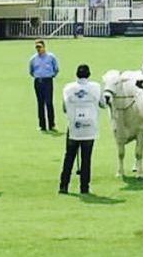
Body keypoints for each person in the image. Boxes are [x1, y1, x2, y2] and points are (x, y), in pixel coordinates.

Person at [59, 64, 105, 195]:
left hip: (74, 127)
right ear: (89, 74)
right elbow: (103, 104)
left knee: (69, 157)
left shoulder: (68, 88)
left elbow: (64, 108)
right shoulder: (96, 87)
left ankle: (63, 186)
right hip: (90, 129)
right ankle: (84, 187)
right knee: (86, 159)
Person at [29, 39, 59, 132]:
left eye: (40, 47)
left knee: (49, 103)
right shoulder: (33, 59)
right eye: (37, 47)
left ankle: (52, 124)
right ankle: (42, 125)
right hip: (38, 81)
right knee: (40, 103)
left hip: (48, 81)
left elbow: (56, 68)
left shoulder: (51, 57)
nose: (38, 49)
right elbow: (31, 71)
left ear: (44, 47)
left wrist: (51, 75)